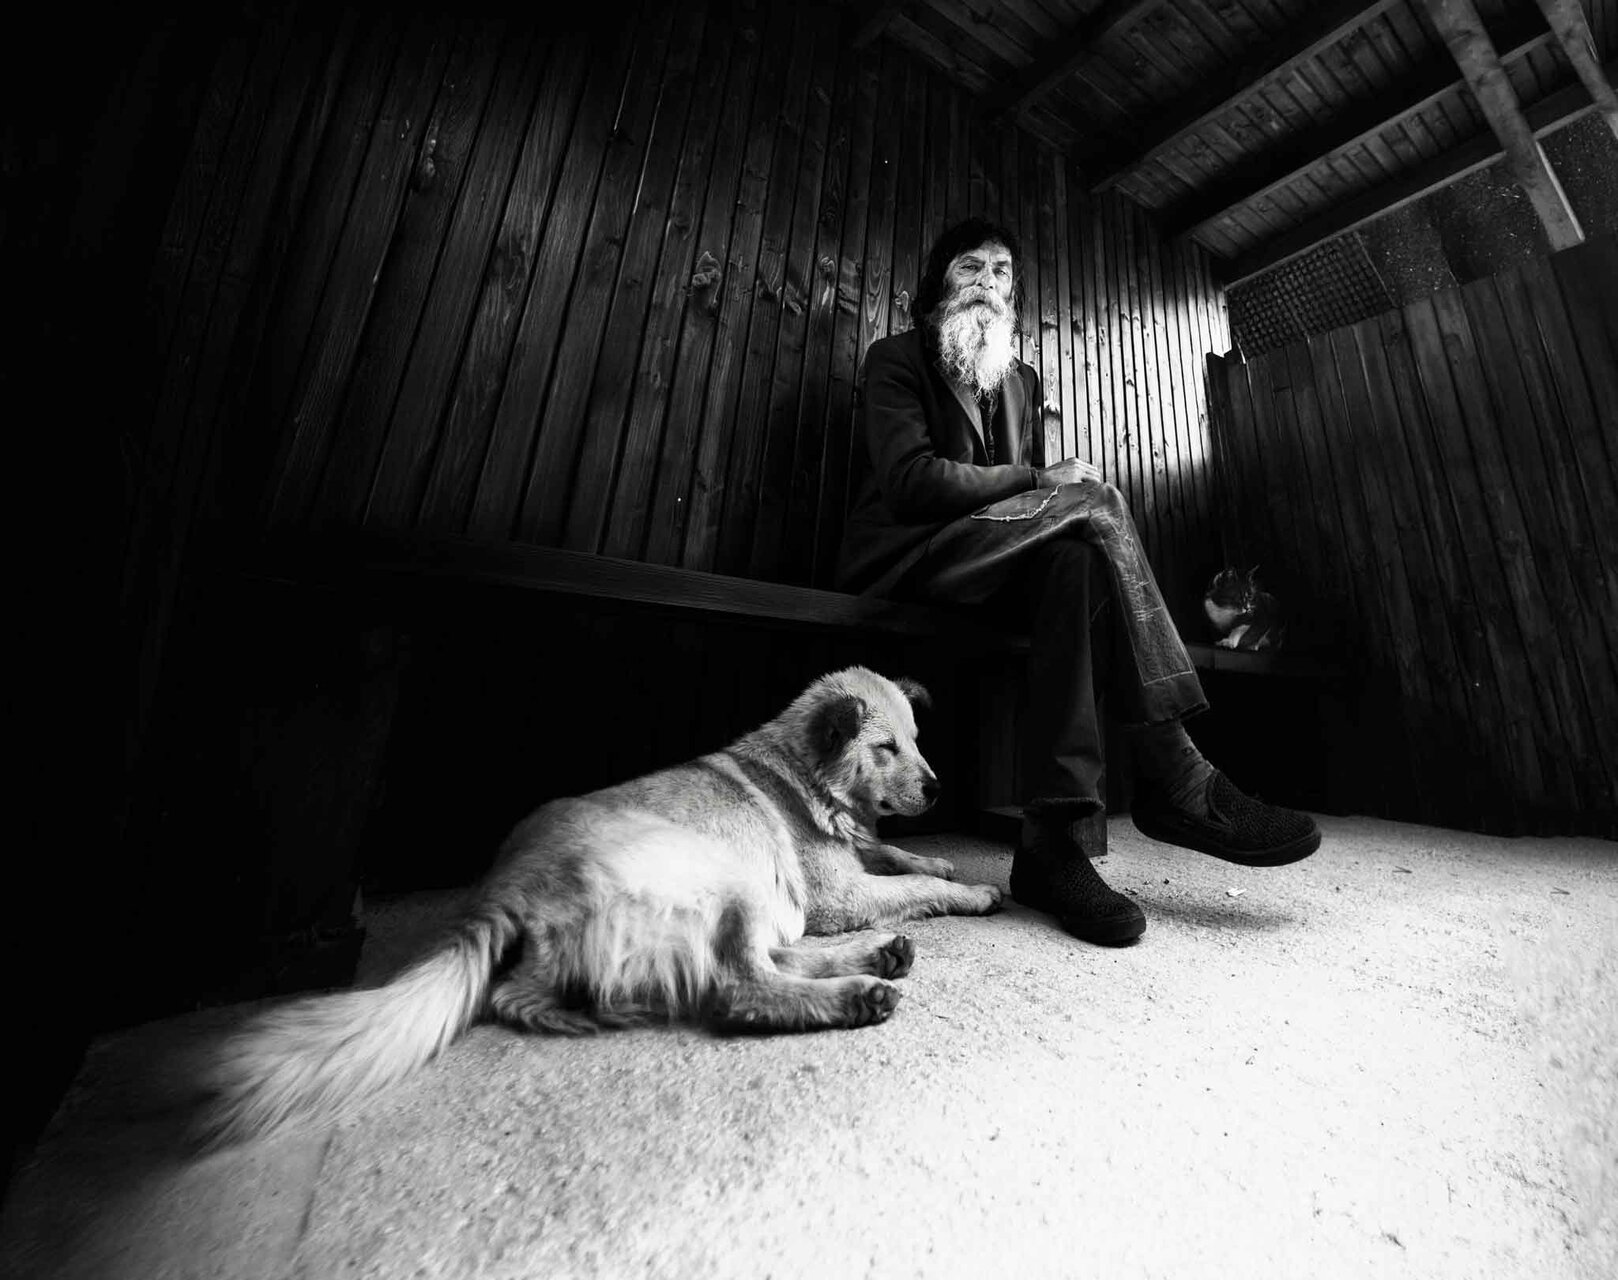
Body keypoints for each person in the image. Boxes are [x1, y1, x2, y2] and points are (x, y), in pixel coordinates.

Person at [836, 217, 1320, 946]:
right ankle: (1176, 772)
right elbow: (911, 482)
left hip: (1000, 567)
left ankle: (1052, 842)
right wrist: (1039, 478)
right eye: (970, 267)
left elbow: (1035, 518)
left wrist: (1044, 492)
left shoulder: (1020, 381)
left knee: (1078, 562)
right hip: (912, 560)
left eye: (1002, 272)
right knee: (1095, 501)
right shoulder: (897, 358)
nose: (988, 283)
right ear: (938, 287)